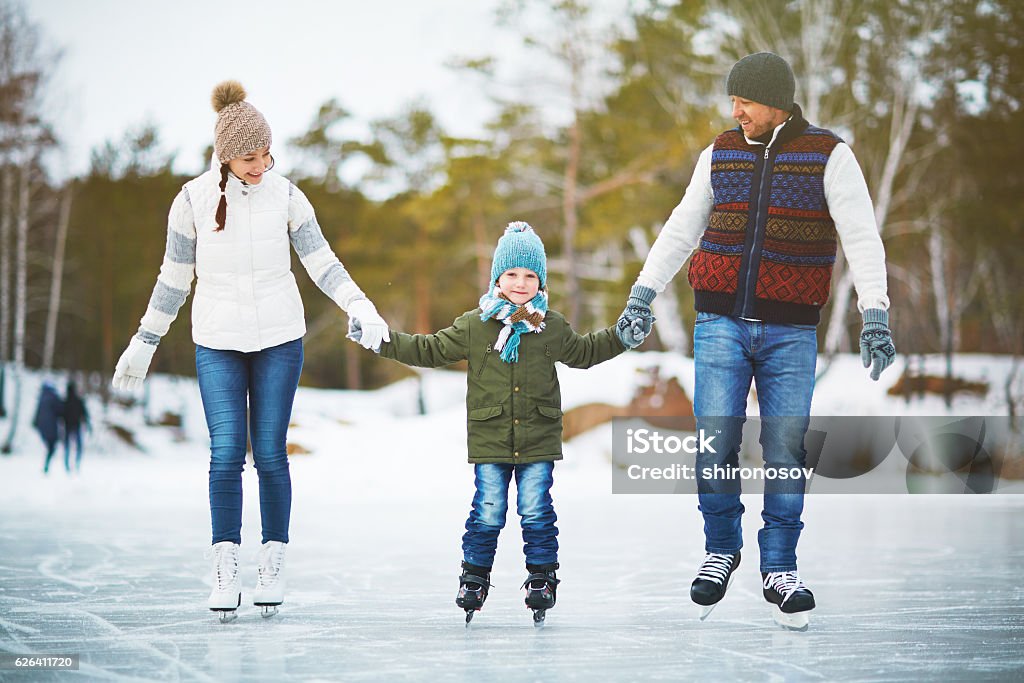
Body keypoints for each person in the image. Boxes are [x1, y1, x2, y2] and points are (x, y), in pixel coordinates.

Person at [618, 52, 896, 630]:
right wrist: (643, 294)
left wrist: (875, 313)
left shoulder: (828, 155)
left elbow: (862, 238)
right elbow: (681, 226)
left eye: (744, 100)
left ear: (775, 102)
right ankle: (721, 549)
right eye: (732, 101)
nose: (735, 110)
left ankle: (779, 566)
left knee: (785, 448)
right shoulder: (719, 152)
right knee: (714, 441)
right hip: (718, 323)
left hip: (791, 330)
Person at [111, 81, 390, 621]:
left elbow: (322, 262)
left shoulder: (286, 194)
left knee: (269, 452)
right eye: (249, 157)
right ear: (224, 156)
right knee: (224, 455)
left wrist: (361, 304)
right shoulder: (190, 201)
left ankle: (272, 561)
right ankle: (224, 566)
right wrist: (145, 340)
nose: (261, 165)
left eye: (266, 154)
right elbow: (173, 279)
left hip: (280, 340)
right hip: (217, 341)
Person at [355, 222, 641, 625]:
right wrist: (380, 340)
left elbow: (585, 352)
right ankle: (474, 576)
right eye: (511, 274)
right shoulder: (474, 324)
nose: (520, 283)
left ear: (540, 282)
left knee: (536, 509)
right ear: (497, 278)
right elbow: (429, 349)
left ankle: (542, 577)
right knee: (488, 510)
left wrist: (622, 336)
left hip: (538, 437)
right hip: (491, 437)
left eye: (529, 276)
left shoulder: (550, 326)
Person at [33, 381, 64, 474]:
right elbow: (61, 410)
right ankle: (47, 464)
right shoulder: (54, 397)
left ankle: (46, 464)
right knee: (52, 447)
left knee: (50, 446)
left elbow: (37, 413)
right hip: (51, 427)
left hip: (42, 427)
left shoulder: (42, 398)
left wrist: (35, 423)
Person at [62, 380, 90, 473]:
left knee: (67, 447)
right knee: (78, 447)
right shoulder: (78, 400)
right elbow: (84, 414)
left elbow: (60, 414)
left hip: (68, 427)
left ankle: (68, 465)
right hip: (75, 426)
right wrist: (87, 424)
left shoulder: (64, 401)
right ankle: (76, 464)